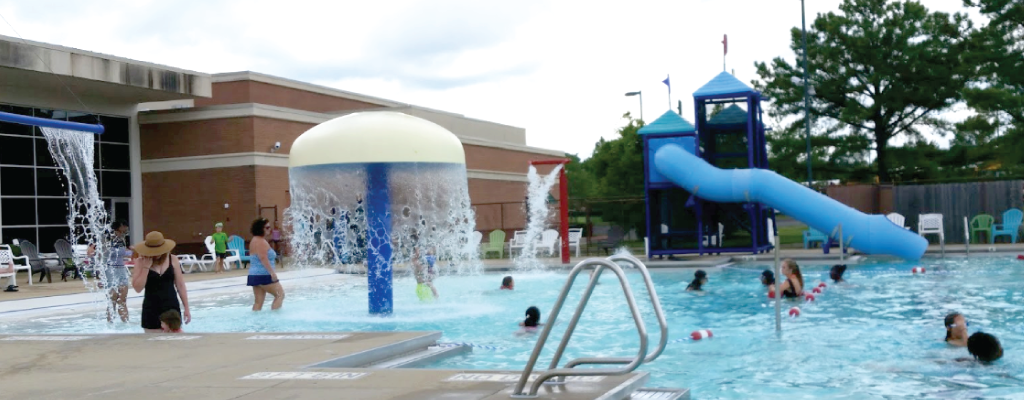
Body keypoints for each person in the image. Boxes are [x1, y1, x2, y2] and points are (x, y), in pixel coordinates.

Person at [131, 231, 190, 333]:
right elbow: (137, 288)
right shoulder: (140, 262)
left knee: (175, 343)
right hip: (151, 308)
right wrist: (146, 268)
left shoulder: (173, 259)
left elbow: (180, 285)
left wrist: (187, 308)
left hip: (171, 307)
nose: (156, 254)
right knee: (154, 345)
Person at [88, 220, 133, 322]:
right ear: (115, 229)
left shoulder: (123, 240)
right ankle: (110, 324)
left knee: (122, 300)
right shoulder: (104, 239)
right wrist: (101, 275)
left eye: (124, 232)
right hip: (109, 270)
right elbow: (92, 252)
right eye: (121, 231)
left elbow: (126, 253)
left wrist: (133, 251)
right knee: (112, 299)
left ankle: (126, 324)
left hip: (121, 269)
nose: (122, 233)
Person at [248, 218, 285, 311]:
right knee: (280, 294)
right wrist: (272, 273)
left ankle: (256, 323)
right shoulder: (261, 241)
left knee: (258, 302)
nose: (270, 229)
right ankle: (275, 318)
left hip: (254, 275)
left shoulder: (254, 240)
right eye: (267, 227)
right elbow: (263, 258)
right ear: (260, 228)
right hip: (263, 274)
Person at [412, 236, 439, 302]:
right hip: (423, 287)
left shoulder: (422, 262)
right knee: (429, 304)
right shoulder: (417, 263)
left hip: (424, 287)